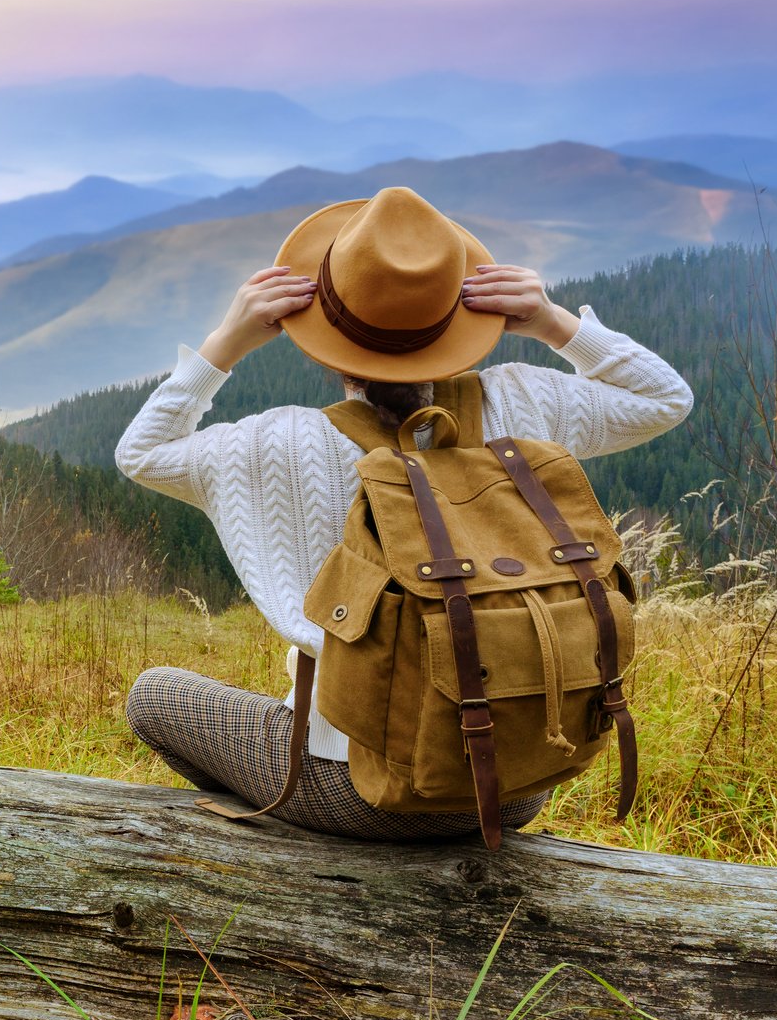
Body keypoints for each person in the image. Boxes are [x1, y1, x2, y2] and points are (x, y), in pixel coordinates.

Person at [114, 186, 693, 839]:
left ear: (315, 337)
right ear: (459, 320)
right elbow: (664, 397)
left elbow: (141, 451)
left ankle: (305, 855)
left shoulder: (278, 441)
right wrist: (552, 321)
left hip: (356, 791)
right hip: (516, 781)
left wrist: (227, 340)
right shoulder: (523, 403)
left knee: (153, 695)